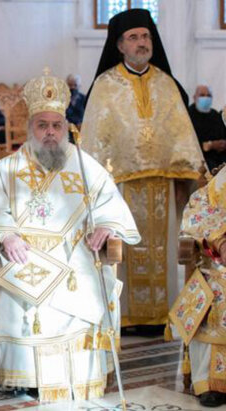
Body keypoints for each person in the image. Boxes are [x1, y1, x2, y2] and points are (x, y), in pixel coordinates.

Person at [0, 68, 140, 401]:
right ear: (30, 128)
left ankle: (79, 377)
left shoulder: (85, 164)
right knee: (16, 296)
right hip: (25, 254)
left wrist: (106, 224)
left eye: (56, 126)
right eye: (42, 125)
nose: (50, 133)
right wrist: (6, 235)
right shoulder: (8, 167)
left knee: (86, 289)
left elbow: (109, 200)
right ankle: (25, 377)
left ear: (66, 128)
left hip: (75, 254)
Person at [81, 8, 204, 330]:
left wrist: (186, 175)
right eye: (133, 37)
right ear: (119, 45)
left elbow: (181, 134)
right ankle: (124, 315)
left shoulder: (166, 84)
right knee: (126, 250)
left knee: (161, 254)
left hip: (162, 185)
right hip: (120, 187)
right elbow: (95, 138)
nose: (141, 43)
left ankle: (160, 315)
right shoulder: (105, 85)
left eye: (145, 36)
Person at [171, 166, 226, 407]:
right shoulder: (218, 182)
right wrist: (220, 241)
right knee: (215, 293)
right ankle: (211, 382)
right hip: (219, 265)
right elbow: (197, 215)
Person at [189, 85, 226, 172]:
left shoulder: (215, 114)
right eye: (202, 95)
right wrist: (210, 145)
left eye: (208, 96)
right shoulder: (188, 115)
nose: (206, 98)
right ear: (195, 97)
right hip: (201, 159)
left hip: (220, 157)